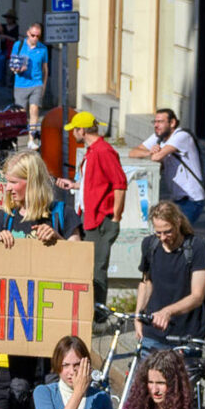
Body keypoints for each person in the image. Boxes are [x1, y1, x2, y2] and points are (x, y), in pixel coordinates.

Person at [67, 112, 128, 300]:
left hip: (101, 220)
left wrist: (116, 217)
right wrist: (76, 186)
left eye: (74, 130)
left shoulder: (103, 151)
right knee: (89, 267)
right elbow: (96, 182)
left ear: (82, 130)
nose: (72, 134)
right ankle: (91, 313)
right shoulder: (93, 150)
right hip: (90, 217)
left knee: (97, 269)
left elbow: (120, 184)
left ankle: (98, 317)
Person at [133, 202, 205, 348]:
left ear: (178, 223)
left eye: (167, 231)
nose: (162, 237)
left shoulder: (196, 247)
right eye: (158, 232)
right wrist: (138, 316)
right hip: (152, 332)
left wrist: (167, 312)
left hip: (185, 335)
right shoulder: (150, 245)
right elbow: (146, 282)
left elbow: (197, 296)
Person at [128, 107, 205, 225]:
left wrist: (154, 153)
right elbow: (133, 152)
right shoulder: (158, 137)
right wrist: (149, 152)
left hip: (192, 199)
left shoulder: (182, 136)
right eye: (155, 122)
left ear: (172, 123)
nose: (156, 125)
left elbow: (157, 157)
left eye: (160, 122)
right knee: (171, 233)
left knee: (178, 233)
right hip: (177, 198)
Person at [32, 335, 113, 409]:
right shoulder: (44, 392)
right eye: (65, 365)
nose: (71, 371)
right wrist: (78, 392)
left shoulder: (101, 398)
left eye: (77, 364)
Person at [6, 22, 48, 131]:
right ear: (28, 33)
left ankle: (31, 138)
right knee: (21, 114)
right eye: (33, 35)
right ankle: (18, 134)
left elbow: (45, 70)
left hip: (36, 83)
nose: (35, 38)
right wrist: (18, 69)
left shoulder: (43, 49)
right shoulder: (18, 45)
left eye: (38, 36)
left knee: (34, 110)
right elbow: (12, 65)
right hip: (21, 84)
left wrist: (43, 87)